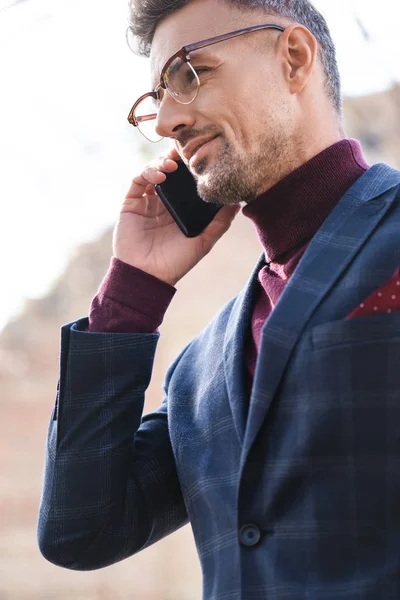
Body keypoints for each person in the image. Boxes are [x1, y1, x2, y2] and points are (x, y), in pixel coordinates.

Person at [38, 0, 400, 597]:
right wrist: (133, 288)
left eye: (189, 73)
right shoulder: (199, 373)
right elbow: (80, 532)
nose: (166, 122)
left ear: (293, 58)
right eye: (158, 97)